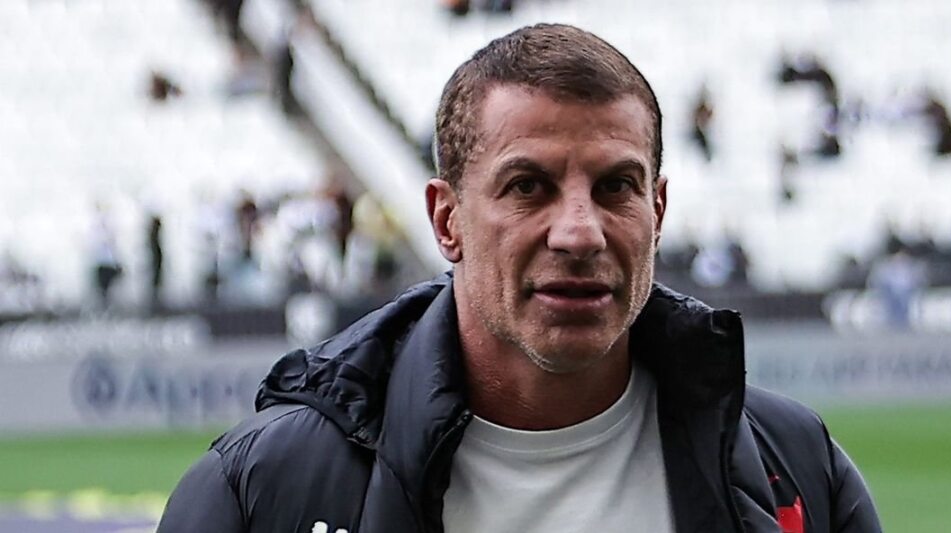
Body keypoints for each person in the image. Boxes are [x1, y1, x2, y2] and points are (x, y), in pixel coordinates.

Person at [158, 24, 881, 533]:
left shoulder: (798, 467)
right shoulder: (264, 490)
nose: (579, 233)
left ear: (657, 212)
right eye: (528, 186)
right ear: (447, 220)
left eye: (616, 187)